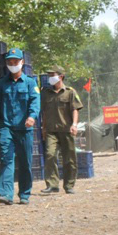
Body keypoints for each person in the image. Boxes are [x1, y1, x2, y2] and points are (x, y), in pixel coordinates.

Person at [0, 48, 40, 205]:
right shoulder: (1, 84)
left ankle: (24, 193)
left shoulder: (31, 83)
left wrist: (32, 117)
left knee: (25, 161)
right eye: (10, 62)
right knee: (6, 159)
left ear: (22, 62)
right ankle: (6, 194)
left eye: (15, 62)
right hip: (6, 128)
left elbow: (35, 102)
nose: (13, 64)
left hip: (24, 129)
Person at [40, 66, 83, 194]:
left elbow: (75, 109)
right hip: (51, 131)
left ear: (61, 76)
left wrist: (74, 125)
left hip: (66, 130)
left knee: (69, 158)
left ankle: (69, 185)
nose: (50, 78)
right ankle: (52, 185)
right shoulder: (45, 93)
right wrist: (43, 128)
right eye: (49, 75)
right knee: (50, 155)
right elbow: (44, 112)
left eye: (52, 75)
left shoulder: (70, 92)